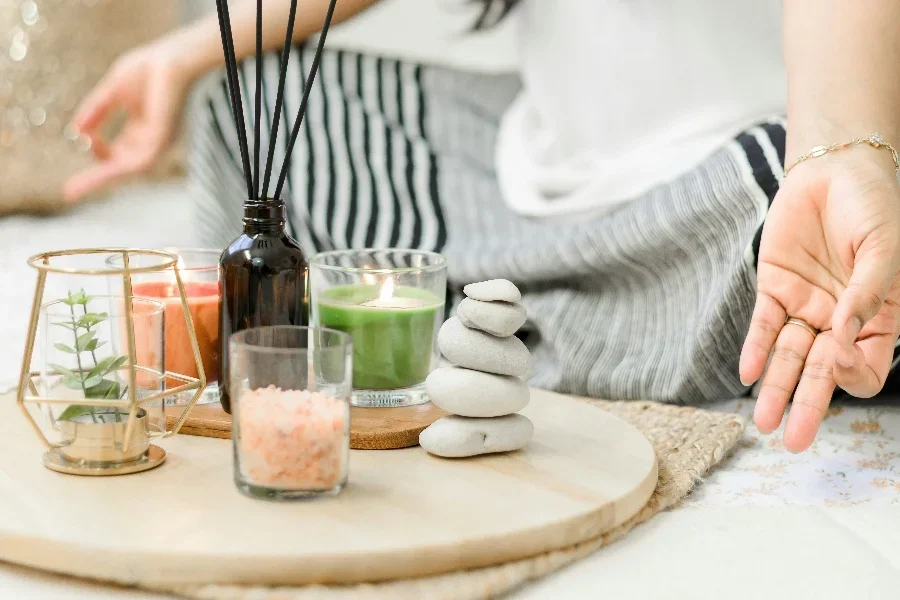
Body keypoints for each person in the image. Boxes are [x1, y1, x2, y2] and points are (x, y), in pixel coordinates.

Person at [66, 0, 900, 454]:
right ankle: (563, 314)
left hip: (743, 171)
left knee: (795, 220)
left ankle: (503, 315)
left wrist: (841, 150)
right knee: (240, 97)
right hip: (530, 156)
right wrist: (180, 58)